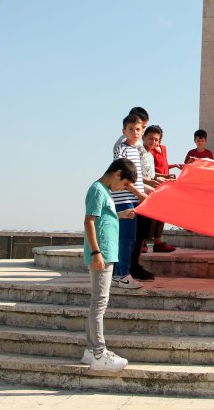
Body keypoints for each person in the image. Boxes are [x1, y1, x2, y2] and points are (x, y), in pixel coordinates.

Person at [80, 157, 137, 373]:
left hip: (106, 252)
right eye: (124, 184)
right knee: (99, 304)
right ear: (118, 174)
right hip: (101, 253)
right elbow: (89, 221)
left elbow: (104, 218)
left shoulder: (105, 191)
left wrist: (121, 215)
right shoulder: (97, 189)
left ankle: (89, 351)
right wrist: (96, 252)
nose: (123, 188)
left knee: (98, 303)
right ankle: (99, 353)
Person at [111, 114, 150, 289]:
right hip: (124, 199)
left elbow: (138, 179)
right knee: (126, 238)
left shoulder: (137, 150)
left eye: (138, 129)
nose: (135, 132)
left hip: (134, 199)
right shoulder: (123, 150)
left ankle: (118, 273)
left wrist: (146, 192)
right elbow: (125, 179)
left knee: (130, 239)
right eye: (131, 129)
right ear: (124, 131)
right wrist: (140, 195)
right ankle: (122, 275)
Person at [141, 125, 176, 254]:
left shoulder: (150, 154)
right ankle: (142, 242)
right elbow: (138, 174)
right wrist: (152, 181)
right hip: (142, 189)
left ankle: (157, 241)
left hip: (155, 185)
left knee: (160, 212)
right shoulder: (140, 151)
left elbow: (153, 173)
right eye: (151, 138)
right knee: (146, 215)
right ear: (144, 137)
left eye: (156, 139)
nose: (153, 142)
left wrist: (165, 176)